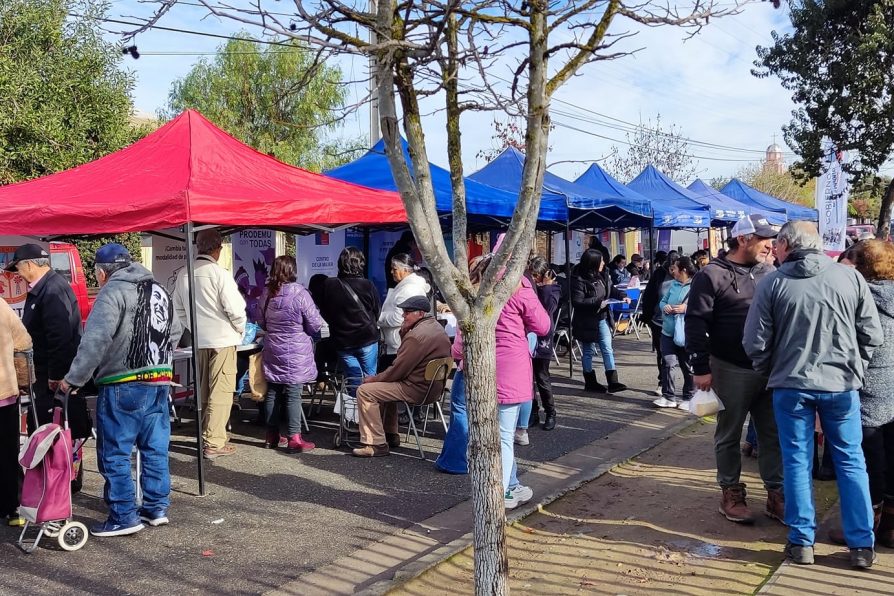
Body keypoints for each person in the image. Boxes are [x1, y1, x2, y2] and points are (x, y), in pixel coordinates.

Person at [744, 222, 883, 569]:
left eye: (776, 245)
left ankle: (801, 542)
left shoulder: (772, 283)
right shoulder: (849, 278)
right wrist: (854, 367)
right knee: (852, 462)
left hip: (791, 387)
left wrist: (772, 372)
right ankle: (861, 545)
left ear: (786, 246)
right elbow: (872, 334)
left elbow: (754, 343)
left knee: (796, 462)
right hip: (841, 386)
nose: (773, 250)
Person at [61, 243, 179, 537]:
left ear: (102, 273)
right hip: (159, 382)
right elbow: (175, 330)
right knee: (155, 448)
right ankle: (155, 508)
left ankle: (124, 515)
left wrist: (74, 379)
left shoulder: (112, 292)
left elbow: (95, 341)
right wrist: (158, 359)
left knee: (115, 452)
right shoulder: (159, 289)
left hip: (122, 383)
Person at [686, 214, 784, 526]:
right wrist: (700, 367)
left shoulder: (770, 272)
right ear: (743, 239)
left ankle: (777, 493)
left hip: (769, 369)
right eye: (764, 238)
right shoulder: (711, 275)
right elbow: (695, 322)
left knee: (772, 434)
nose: (770, 244)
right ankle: (730, 491)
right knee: (728, 433)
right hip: (729, 368)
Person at [452, 270, 551, 508]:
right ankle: (501, 492)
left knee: (487, 435)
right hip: (510, 369)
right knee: (504, 436)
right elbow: (543, 325)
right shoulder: (519, 291)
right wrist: (524, 289)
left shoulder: (471, 295)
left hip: (477, 369)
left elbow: (457, 347)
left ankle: (510, 484)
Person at [826, 239, 894, 548]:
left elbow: (852, 344)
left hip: (866, 391)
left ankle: (867, 523)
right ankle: (890, 527)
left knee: (868, 463)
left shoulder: (859, 298)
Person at [173, 229, 247, 460]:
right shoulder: (219, 274)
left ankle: (210, 434)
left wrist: (194, 327)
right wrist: (239, 329)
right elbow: (236, 310)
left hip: (199, 339)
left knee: (204, 390)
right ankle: (214, 441)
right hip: (223, 339)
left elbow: (179, 310)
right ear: (218, 248)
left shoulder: (184, 273)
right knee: (222, 391)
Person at [352, 295, 451, 457]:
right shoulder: (437, 327)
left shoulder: (417, 336)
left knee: (366, 390)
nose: (403, 315)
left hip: (416, 389)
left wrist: (374, 379)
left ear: (420, 313)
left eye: (407, 312)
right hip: (432, 388)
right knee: (383, 389)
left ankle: (375, 443)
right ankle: (391, 433)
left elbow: (398, 369)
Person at [5, 243, 81, 426]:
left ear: (29, 264)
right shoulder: (46, 287)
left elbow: (59, 336)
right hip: (44, 376)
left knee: (48, 430)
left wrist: (55, 376)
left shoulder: (52, 289)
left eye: (18, 268)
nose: (18, 274)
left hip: (51, 379)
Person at [258, 256, 323, 453]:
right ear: (293, 271)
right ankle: (295, 437)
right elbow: (315, 324)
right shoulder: (301, 294)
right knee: (294, 393)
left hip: (273, 347)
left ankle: (271, 435)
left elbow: (260, 321)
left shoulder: (267, 294)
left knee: (273, 391)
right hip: (296, 349)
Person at [318, 247, 381, 395]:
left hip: (343, 341)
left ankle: (353, 415)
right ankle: (367, 414)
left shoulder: (329, 285)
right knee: (370, 378)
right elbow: (377, 311)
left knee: (353, 380)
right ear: (360, 264)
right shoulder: (368, 285)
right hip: (368, 338)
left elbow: (324, 312)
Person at [571, 249, 630, 394]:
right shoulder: (578, 278)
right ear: (593, 263)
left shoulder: (604, 274)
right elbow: (577, 301)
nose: (604, 263)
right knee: (588, 350)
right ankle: (590, 381)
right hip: (587, 320)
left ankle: (613, 381)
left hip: (602, 317)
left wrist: (622, 295)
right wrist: (598, 302)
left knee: (607, 348)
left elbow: (611, 289)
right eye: (601, 261)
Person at [0, 297, 31, 527]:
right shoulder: (1, 305)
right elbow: (24, 342)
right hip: (5, 393)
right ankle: (12, 509)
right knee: (8, 452)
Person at [654, 256, 696, 409]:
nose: (673, 271)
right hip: (667, 331)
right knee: (668, 362)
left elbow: (703, 306)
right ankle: (668, 396)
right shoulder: (672, 285)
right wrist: (664, 306)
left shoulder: (696, 285)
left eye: (675, 268)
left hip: (686, 333)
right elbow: (663, 301)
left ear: (683, 270)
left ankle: (689, 396)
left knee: (687, 366)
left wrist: (686, 308)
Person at [378, 254, 431, 371]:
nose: (391, 272)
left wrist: (378, 317)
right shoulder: (406, 286)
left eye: (394, 269)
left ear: (406, 270)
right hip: (398, 343)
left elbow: (398, 318)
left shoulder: (408, 289)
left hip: (399, 345)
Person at [528, 256, 561, 430]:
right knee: (528, 379)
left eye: (536, 275)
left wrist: (547, 286)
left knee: (542, 377)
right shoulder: (529, 288)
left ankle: (551, 412)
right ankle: (533, 412)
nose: (534, 279)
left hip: (543, 339)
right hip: (528, 337)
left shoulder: (553, 289)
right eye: (531, 275)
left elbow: (548, 308)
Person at [640, 250, 670, 395]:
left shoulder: (689, 277)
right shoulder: (658, 275)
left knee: (683, 356)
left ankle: (688, 389)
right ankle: (662, 382)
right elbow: (649, 296)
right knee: (663, 354)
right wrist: (647, 316)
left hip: (681, 322)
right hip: (659, 321)